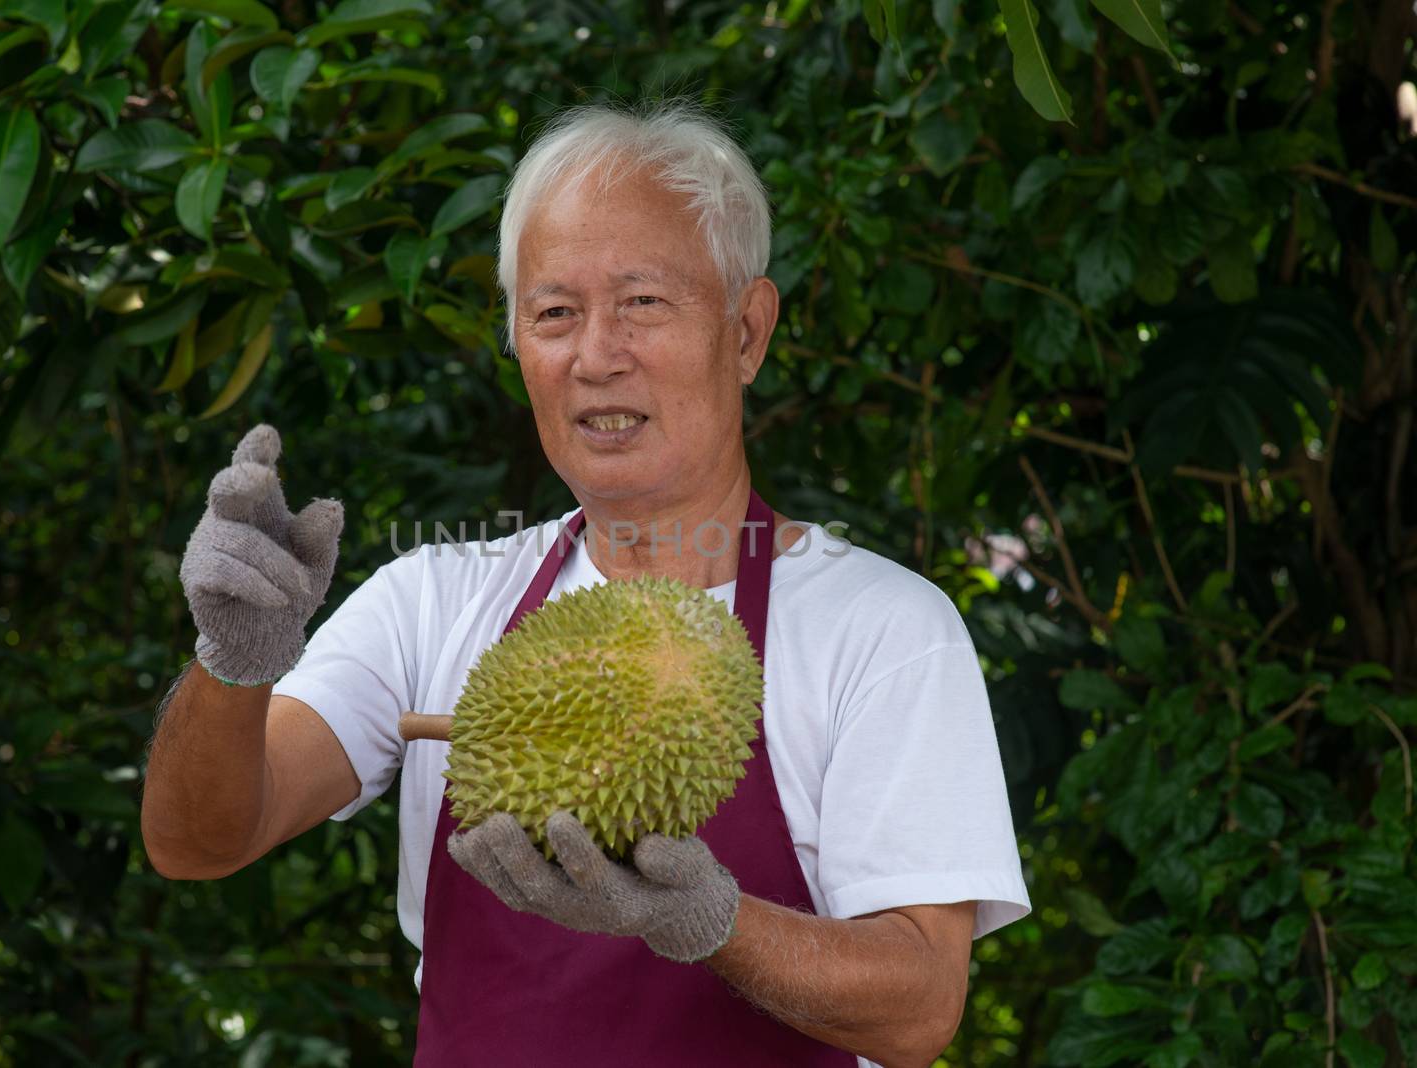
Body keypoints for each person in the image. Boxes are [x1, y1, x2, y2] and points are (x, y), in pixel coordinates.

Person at [142, 100, 1031, 1067]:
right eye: (555, 312)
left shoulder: (883, 630)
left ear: (746, 331)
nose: (596, 356)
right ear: (519, 345)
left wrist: (713, 921)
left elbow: (919, 1009)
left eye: (644, 303)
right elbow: (198, 843)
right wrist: (234, 664)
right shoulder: (431, 603)